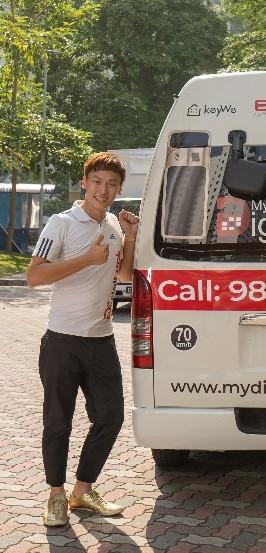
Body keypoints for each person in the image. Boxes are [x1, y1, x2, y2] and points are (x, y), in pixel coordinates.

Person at [27, 152, 139, 527]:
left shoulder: (114, 226)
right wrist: (86, 260)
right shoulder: (60, 223)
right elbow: (34, 277)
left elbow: (124, 276)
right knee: (58, 422)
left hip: (101, 340)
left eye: (111, 184)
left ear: (119, 189)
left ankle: (82, 490)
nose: (103, 190)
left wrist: (131, 237)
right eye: (97, 182)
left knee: (110, 418)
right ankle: (55, 496)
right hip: (62, 340)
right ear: (84, 183)